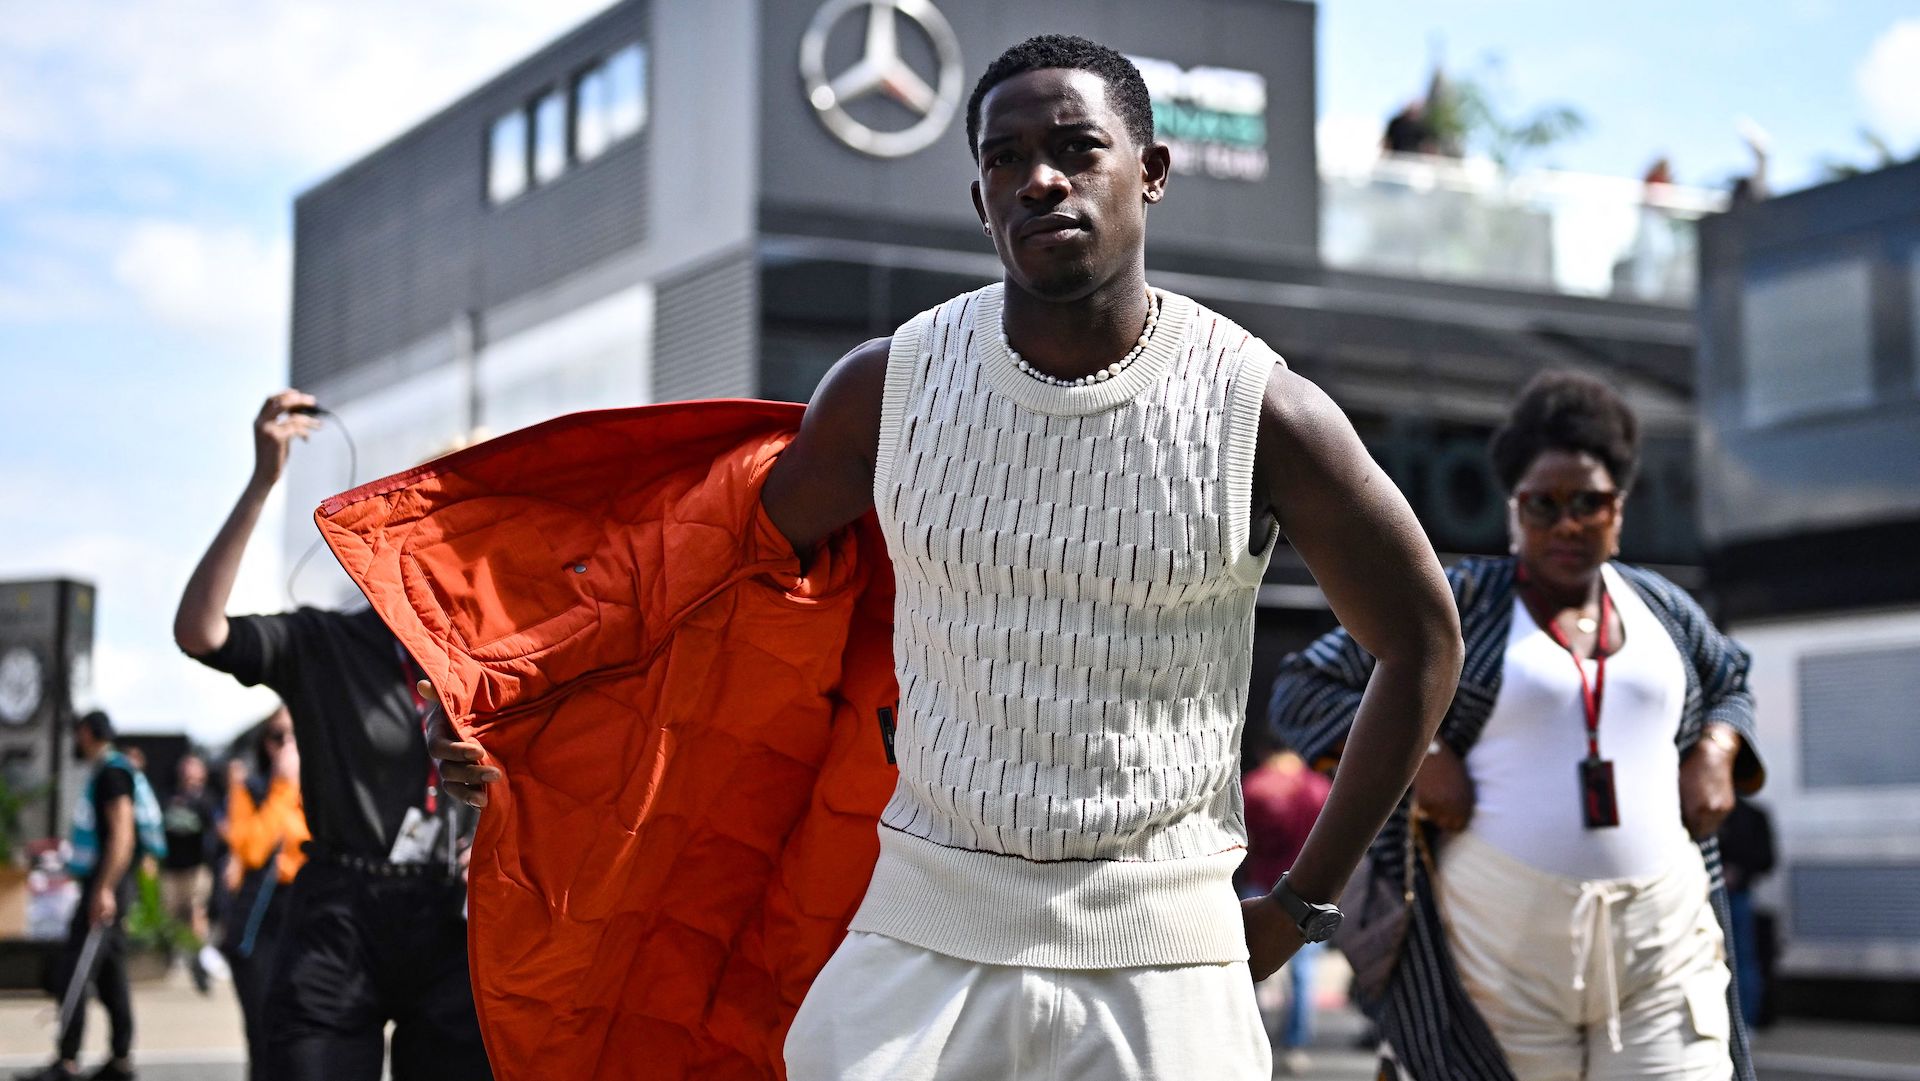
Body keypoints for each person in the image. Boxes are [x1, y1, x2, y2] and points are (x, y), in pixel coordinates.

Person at [428, 35, 1464, 1081]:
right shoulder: (891, 386)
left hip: (1165, 959)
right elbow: (699, 580)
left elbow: (1423, 642)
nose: (1039, 179)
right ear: (980, 200)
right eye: (1004, 159)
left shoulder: (1262, 409)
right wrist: (515, 711)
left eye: (1075, 147)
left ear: (1150, 173)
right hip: (919, 943)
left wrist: (1302, 901)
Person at [1272, 371, 1766, 1081]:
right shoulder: (1462, 600)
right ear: (1513, 511)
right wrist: (1423, 754)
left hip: (1662, 936)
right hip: (1498, 943)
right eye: (1544, 504)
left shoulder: (1664, 606)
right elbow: (1306, 684)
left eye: (1588, 503)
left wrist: (1721, 745)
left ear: (1618, 511)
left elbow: (1730, 678)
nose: (1567, 522)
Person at [173, 393, 490, 1081]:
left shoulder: (499, 657)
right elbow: (201, 631)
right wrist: (263, 480)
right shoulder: (328, 641)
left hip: (453, 921)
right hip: (339, 918)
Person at [20, 711, 142, 1081]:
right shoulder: (110, 770)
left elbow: (123, 835)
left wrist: (104, 889)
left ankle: (67, 1061)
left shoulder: (112, 773)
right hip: (112, 881)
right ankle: (120, 1059)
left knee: (75, 968)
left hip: (106, 882)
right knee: (110, 972)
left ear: (87, 733)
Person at [221, 707, 310, 1081]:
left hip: (307, 915)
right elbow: (253, 849)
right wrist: (281, 787)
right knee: (262, 1033)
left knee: (302, 1034)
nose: (286, 745)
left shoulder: (321, 789)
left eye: (294, 735)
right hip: (260, 923)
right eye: (277, 736)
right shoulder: (253, 789)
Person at [1241, 746, 1332, 1075]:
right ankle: (1295, 1043)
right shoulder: (1317, 788)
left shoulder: (1253, 786)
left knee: (1245, 966)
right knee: (1303, 971)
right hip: (1307, 890)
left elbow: (1242, 837)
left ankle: (1249, 1036)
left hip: (1261, 882)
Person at [159, 752, 220, 992]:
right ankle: (176, 957)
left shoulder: (207, 800)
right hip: (172, 866)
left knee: (196, 912)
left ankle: (199, 959)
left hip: (197, 867)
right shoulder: (168, 798)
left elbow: (216, 831)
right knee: (173, 915)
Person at [1717, 796, 1775, 1027]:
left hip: (1738, 895)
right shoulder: (1704, 810)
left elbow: (1766, 859)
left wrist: (1738, 872)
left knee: (1742, 958)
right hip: (1704, 894)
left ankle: (1745, 1020)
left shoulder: (1752, 815)